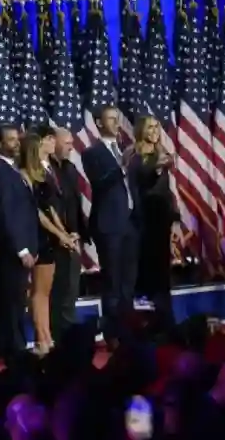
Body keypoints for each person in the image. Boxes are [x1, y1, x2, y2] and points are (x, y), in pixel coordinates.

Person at [81, 104, 141, 346]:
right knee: (112, 282)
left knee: (129, 282)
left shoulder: (125, 150)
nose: (117, 123)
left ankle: (128, 329)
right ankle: (112, 333)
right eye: (111, 119)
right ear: (98, 123)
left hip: (130, 223)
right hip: (109, 224)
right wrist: (122, 167)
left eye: (117, 118)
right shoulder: (91, 153)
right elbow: (100, 183)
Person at [22, 129, 78, 355]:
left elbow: (51, 208)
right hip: (39, 235)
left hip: (51, 237)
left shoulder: (44, 173)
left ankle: (46, 336)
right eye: (48, 140)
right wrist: (60, 234)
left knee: (45, 291)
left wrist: (65, 233)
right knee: (39, 291)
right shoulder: (26, 174)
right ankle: (41, 338)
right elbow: (39, 213)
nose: (53, 143)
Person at [0, 124, 39, 358]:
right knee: (11, 301)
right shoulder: (0, 173)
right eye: (11, 140)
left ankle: (17, 346)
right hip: (11, 251)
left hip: (23, 247)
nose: (17, 143)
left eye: (17, 139)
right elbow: (6, 215)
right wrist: (22, 249)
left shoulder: (13, 171)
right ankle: (14, 350)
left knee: (18, 299)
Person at [127, 115, 183, 322]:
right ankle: (155, 321)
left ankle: (166, 320)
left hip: (162, 219)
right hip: (145, 222)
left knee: (163, 274)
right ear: (141, 130)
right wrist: (157, 168)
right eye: (149, 127)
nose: (154, 131)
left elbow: (166, 192)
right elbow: (136, 189)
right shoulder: (134, 157)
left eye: (156, 126)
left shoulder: (161, 154)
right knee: (150, 273)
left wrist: (176, 219)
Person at [50, 128, 88, 343]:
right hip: (56, 238)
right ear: (53, 142)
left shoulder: (71, 169)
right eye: (67, 143)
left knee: (71, 289)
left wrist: (77, 234)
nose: (71, 147)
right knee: (60, 289)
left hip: (73, 237)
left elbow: (74, 204)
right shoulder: (48, 170)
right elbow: (53, 206)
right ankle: (60, 336)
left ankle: (68, 333)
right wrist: (63, 234)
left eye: (72, 143)